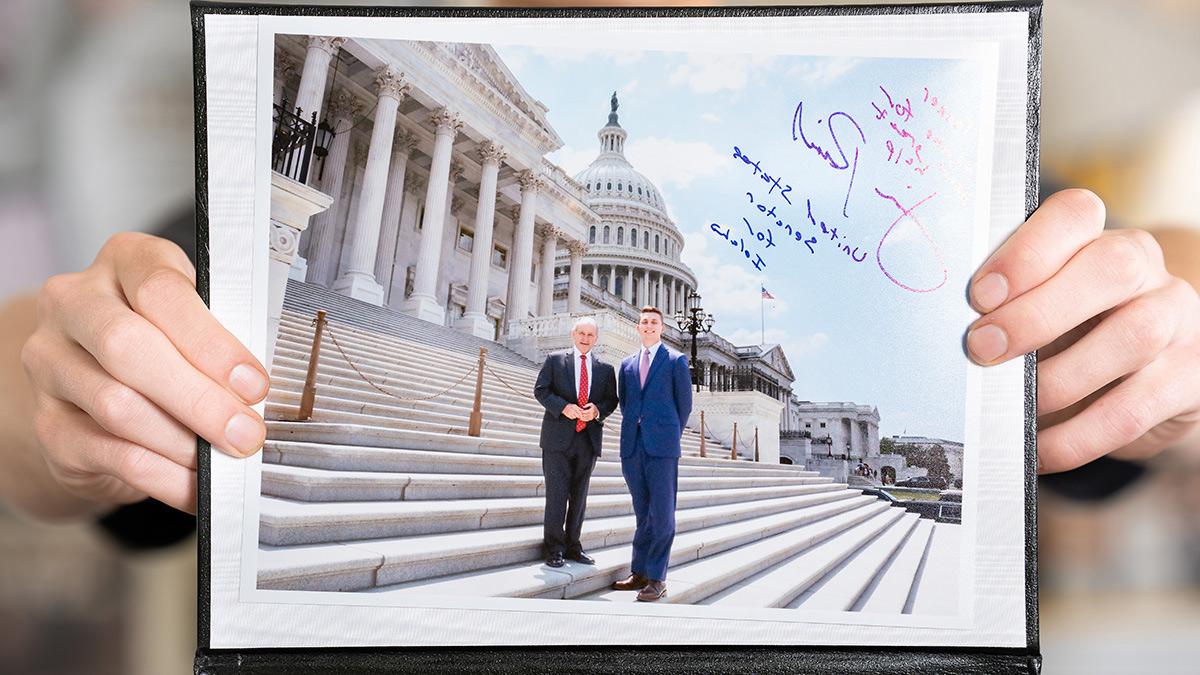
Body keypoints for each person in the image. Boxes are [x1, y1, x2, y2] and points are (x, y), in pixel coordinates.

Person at [0, 189, 1198, 536]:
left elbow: (1125, 379)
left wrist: (1161, 367)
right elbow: (45, 379)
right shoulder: (245, 182)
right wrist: (53, 402)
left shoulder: (978, 195)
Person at [610, 306, 693, 602]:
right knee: (642, 512)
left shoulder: (675, 360)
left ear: (662, 328)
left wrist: (667, 433)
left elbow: (684, 406)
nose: (648, 326)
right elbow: (626, 402)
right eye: (644, 322)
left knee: (662, 514)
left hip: (662, 447)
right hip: (633, 446)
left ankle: (658, 578)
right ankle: (640, 572)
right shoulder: (627, 364)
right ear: (638, 327)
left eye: (653, 322)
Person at [532, 316, 618, 568]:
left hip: (587, 440)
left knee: (579, 497)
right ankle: (554, 548)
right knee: (556, 495)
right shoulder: (555, 361)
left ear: (596, 338)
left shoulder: (605, 370)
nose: (585, 338)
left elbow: (611, 401)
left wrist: (597, 411)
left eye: (590, 335)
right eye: (581, 333)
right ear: (573, 334)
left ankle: (573, 546)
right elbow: (541, 390)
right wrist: (564, 407)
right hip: (557, 438)